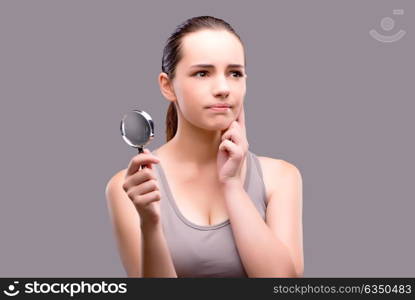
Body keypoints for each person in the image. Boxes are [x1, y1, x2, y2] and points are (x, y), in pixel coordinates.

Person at [105, 16, 303, 278]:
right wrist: (150, 224)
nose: (223, 88)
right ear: (167, 86)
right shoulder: (131, 186)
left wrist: (231, 185)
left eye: (235, 73)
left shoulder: (280, 177)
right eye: (202, 73)